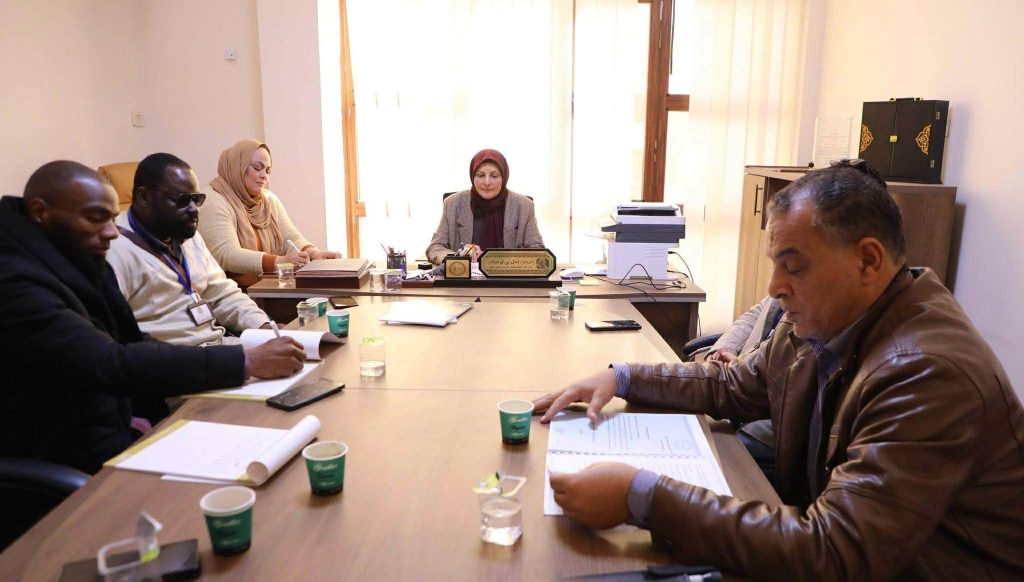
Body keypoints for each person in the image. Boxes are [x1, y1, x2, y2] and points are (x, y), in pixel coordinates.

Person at [533, 161, 1024, 580]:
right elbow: (732, 385)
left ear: (868, 260)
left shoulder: (925, 373)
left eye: (795, 266)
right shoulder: (822, 323)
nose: (774, 288)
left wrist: (641, 496)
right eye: (775, 265)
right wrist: (620, 378)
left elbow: (837, 552)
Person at [0, 161, 305, 474]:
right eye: (96, 218)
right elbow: (109, 361)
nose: (111, 232)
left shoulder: (70, 252)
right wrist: (245, 362)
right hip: (71, 452)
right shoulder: (16, 283)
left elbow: (127, 338)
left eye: (111, 218)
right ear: (41, 212)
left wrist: (255, 339)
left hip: (129, 411)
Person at [107, 153, 272, 346]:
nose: (194, 209)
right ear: (144, 198)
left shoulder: (186, 234)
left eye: (196, 199)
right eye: (182, 200)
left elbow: (222, 294)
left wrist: (265, 328)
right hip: (174, 357)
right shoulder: (115, 249)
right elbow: (119, 342)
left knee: (295, 352)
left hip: (216, 345)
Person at [198, 139, 339, 284]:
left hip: (266, 288)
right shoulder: (212, 200)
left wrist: (312, 254)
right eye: (257, 167)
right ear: (238, 166)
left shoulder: (268, 199)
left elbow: (290, 238)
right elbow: (226, 254)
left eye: (267, 171)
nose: (264, 176)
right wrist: (278, 262)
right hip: (230, 293)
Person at [426, 149, 544, 264]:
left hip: (507, 276)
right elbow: (435, 247)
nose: (487, 182)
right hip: (465, 276)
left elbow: (538, 252)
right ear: (472, 176)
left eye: (494, 176)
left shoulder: (524, 206)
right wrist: (459, 257)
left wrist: (492, 258)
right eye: (480, 175)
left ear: (504, 177)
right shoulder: (452, 204)